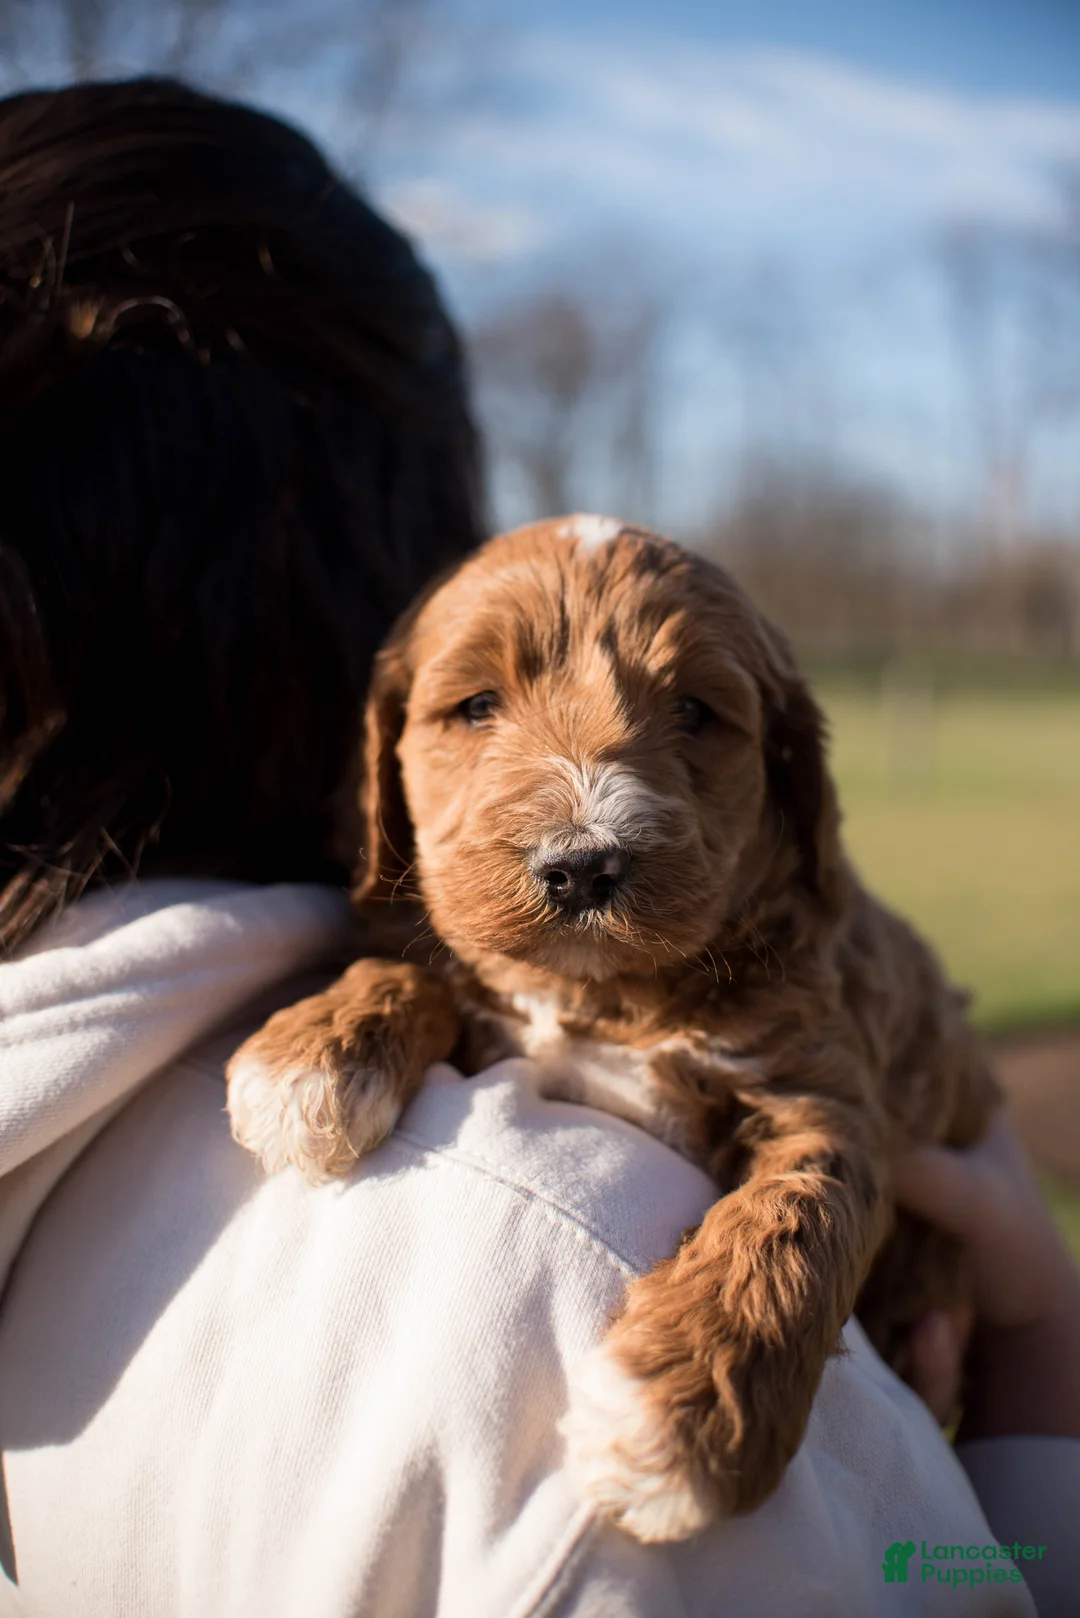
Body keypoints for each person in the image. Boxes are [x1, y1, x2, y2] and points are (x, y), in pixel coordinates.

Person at [0, 78, 1076, 1618]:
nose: (584, 821)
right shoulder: (556, 1287)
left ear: (799, 799)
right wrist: (1046, 1373)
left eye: (693, 716)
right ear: (364, 753)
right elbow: (977, 1579)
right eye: (476, 701)